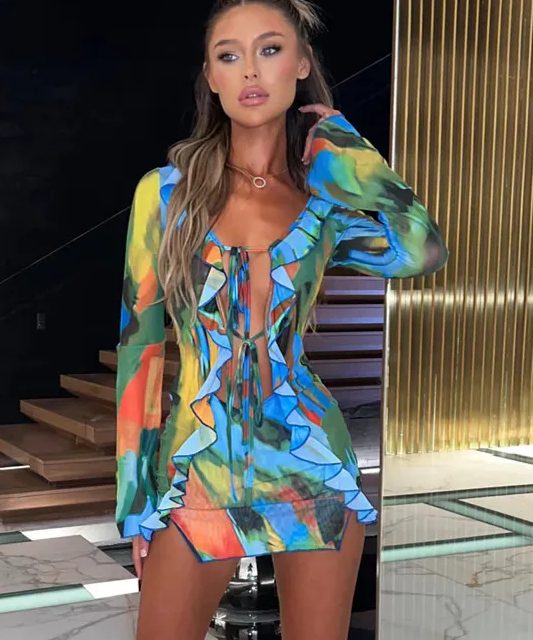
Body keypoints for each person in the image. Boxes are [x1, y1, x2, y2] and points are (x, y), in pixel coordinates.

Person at [114, 1, 449, 638]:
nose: (250, 70)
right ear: (211, 77)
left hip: (312, 463)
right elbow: (140, 348)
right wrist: (135, 501)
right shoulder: (164, 194)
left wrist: (355, 154)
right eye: (229, 55)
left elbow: (421, 250)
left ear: (300, 65)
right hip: (199, 471)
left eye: (269, 49)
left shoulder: (322, 206)